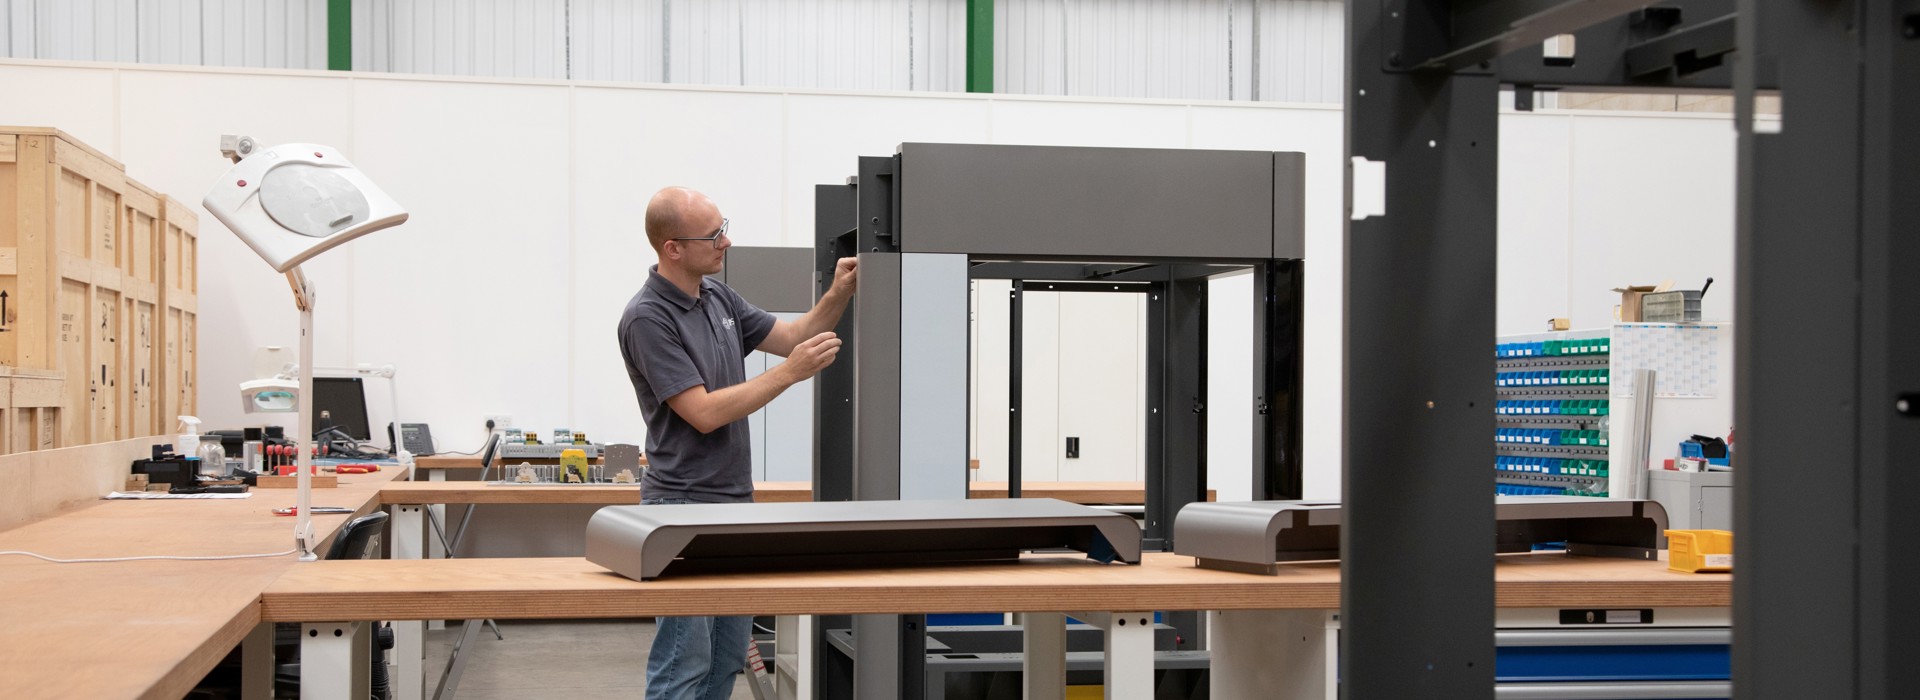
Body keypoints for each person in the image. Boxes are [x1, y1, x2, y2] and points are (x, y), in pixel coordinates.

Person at [618, 186, 857, 700]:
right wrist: (789, 375)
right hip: (682, 507)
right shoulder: (647, 317)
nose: (726, 242)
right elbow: (703, 413)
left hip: (733, 502)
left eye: (723, 228)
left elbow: (791, 337)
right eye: (713, 235)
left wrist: (839, 291)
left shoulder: (717, 297)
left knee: (725, 658)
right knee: (684, 662)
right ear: (672, 248)